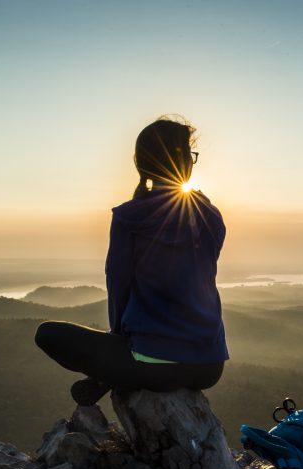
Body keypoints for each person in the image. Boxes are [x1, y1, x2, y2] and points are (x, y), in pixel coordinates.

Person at [35, 116, 229, 406]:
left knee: (47, 333)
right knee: (127, 354)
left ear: (143, 162)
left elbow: (118, 284)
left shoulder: (130, 217)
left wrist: (119, 344)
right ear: (186, 163)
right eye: (190, 154)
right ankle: (116, 373)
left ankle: (113, 374)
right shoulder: (211, 216)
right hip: (209, 366)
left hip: (152, 362)